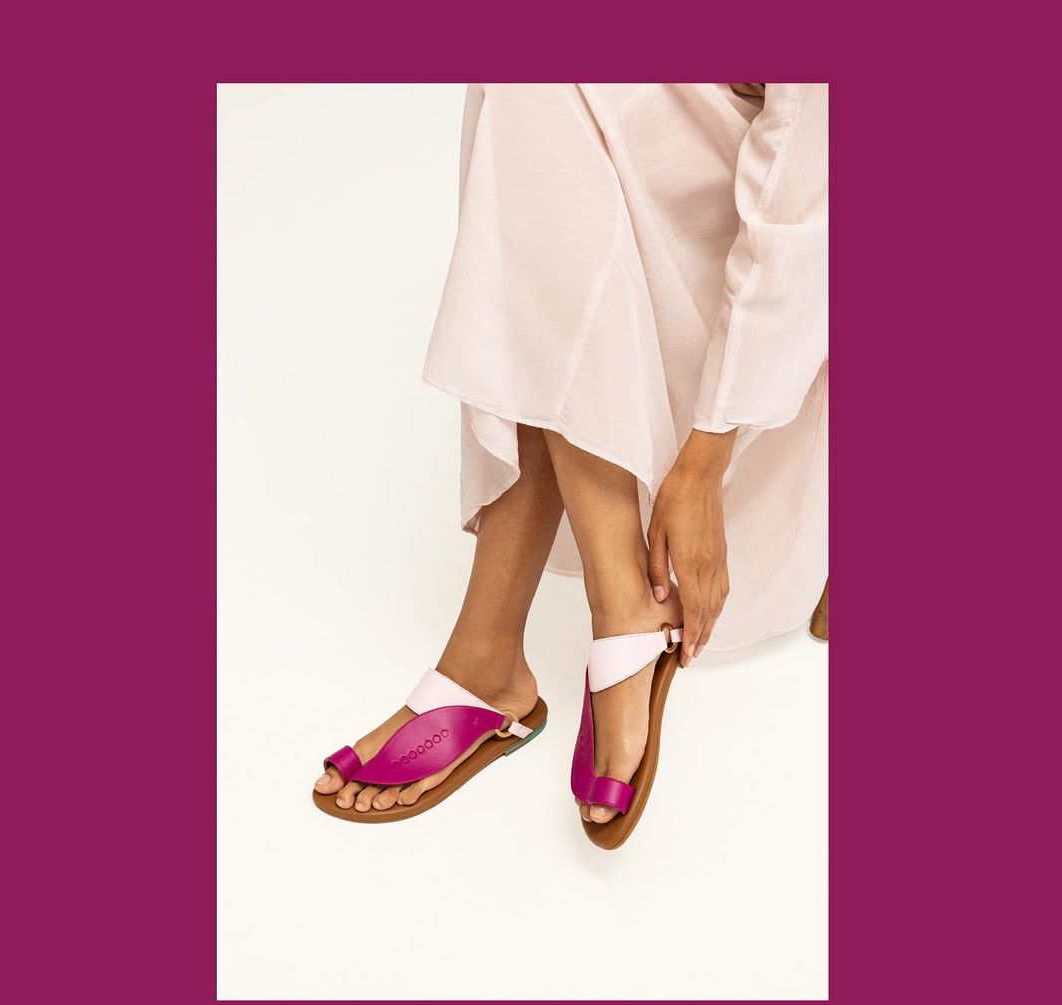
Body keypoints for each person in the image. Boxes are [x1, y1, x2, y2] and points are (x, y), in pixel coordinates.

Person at [313, 83, 827, 847]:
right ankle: (615, 606)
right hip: (687, 137)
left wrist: (703, 462)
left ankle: (493, 653)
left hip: (803, 224)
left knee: (546, 161)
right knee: (533, 97)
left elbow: (801, 203)